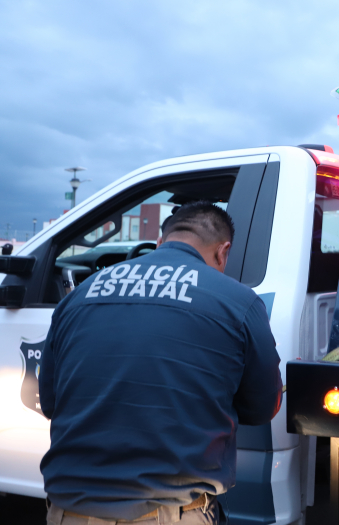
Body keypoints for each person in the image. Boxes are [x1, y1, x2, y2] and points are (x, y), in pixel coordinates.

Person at [40, 200, 283, 525]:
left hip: (68, 512)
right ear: (223, 252)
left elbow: (52, 402)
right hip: (169, 513)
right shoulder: (239, 302)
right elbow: (263, 407)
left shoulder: (78, 296)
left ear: (160, 242)